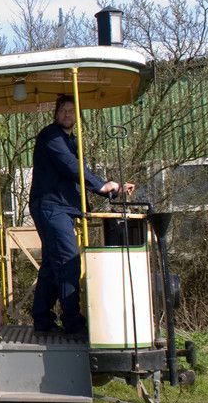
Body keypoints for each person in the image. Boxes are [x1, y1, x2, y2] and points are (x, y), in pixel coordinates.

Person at [29, 95, 133, 335]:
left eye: (71, 111)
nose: (67, 114)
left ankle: (42, 319)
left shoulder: (69, 140)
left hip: (60, 207)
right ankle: (73, 322)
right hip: (51, 207)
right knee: (68, 260)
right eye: (64, 110)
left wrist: (111, 188)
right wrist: (100, 186)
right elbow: (71, 166)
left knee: (52, 264)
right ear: (56, 114)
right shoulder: (51, 137)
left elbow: (80, 171)